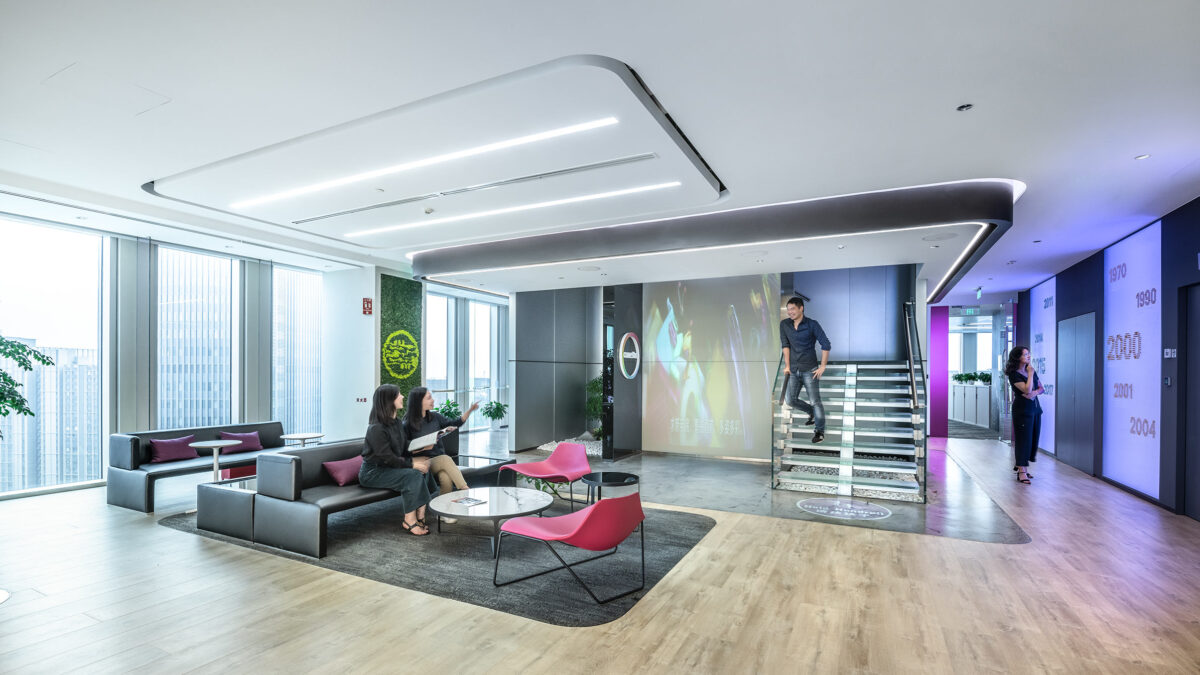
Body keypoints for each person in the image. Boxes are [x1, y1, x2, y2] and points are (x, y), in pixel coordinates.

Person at [359, 384, 438, 535]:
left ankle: (420, 515)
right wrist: (413, 464)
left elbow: (402, 446)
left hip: (388, 467)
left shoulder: (396, 423)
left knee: (424, 468)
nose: (402, 397)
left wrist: (421, 447)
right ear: (389, 400)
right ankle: (409, 520)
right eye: (398, 395)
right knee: (414, 473)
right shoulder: (376, 428)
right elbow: (387, 457)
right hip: (373, 472)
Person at [403, 387, 480, 509]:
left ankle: (443, 511)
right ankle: (466, 492)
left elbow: (456, 422)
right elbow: (405, 448)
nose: (433, 400)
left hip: (439, 462)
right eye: (429, 398)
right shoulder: (407, 424)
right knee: (444, 459)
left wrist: (470, 410)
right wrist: (422, 447)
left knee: (446, 477)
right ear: (418, 402)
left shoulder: (435, 417)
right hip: (423, 463)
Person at [779, 296, 831, 443]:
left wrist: (823, 366)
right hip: (794, 370)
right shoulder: (784, 325)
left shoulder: (812, 324)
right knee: (790, 400)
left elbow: (826, 344)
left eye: (793, 309)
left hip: (810, 369)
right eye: (788, 310)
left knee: (815, 401)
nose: (790, 312)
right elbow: (785, 345)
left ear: (801, 308)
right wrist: (787, 365)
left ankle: (819, 432)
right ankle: (812, 413)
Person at [1005, 345, 1044, 484]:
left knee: (1032, 440)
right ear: (1018, 358)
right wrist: (1031, 375)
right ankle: (1022, 471)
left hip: (1035, 410)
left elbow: (1041, 388)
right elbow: (1027, 389)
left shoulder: (1030, 370)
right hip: (1022, 411)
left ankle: (1023, 467)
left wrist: (1034, 393)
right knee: (1023, 440)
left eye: (1029, 354)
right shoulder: (1014, 374)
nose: (1028, 356)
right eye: (1025, 354)